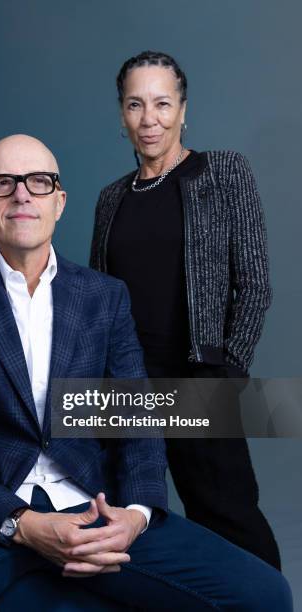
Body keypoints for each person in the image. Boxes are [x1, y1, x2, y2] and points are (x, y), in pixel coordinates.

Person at [0, 134, 292, 611]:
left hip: (95, 507)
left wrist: (136, 515)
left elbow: (136, 420)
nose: (22, 194)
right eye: (4, 183)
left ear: (59, 202)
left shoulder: (104, 297)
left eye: (38, 182)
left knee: (265, 594)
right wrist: (20, 522)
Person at [89, 51, 281, 570]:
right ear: (122, 114)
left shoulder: (222, 172)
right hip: (125, 387)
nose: (149, 119)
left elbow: (255, 283)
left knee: (229, 517)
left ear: (183, 108)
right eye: (135, 104)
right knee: (123, 522)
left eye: (162, 103)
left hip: (197, 379)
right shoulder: (110, 199)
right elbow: (98, 300)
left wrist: (227, 372)